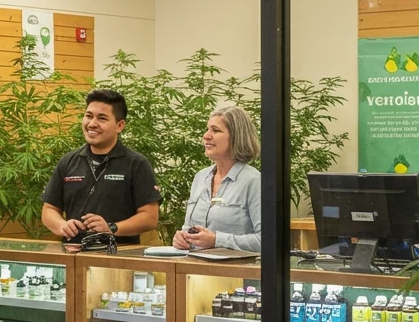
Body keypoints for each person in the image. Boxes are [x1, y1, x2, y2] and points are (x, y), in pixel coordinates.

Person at [42, 89, 160, 244]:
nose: (92, 124)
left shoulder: (136, 163)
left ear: (120, 125)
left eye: (102, 118)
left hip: (118, 257)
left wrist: (112, 228)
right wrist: (62, 225)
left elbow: (150, 217)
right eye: (88, 116)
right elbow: (49, 209)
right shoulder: (68, 161)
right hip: (74, 255)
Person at [173, 106, 262, 253]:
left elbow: (266, 240)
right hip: (195, 269)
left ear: (236, 137)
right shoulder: (200, 178)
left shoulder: (254, 182)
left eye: (215, 130)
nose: (206, 136)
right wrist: (181, 238)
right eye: (207, 129)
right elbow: (188, 229)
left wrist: (217, 240)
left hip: (238, 271)